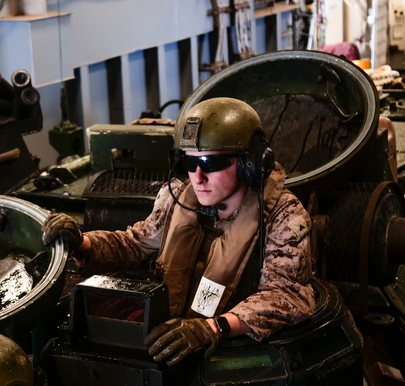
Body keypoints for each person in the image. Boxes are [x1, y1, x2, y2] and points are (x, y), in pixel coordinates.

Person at [42, 97, 316, 366]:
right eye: (190, 163)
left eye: (211, 163)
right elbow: (135, 244)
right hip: (170, 338)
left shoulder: (284, 216)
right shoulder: (177, 198)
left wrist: (214, 328)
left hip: (232, 351)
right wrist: (82, 242)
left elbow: (287, 295)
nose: (198, 177)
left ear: (250, 163)